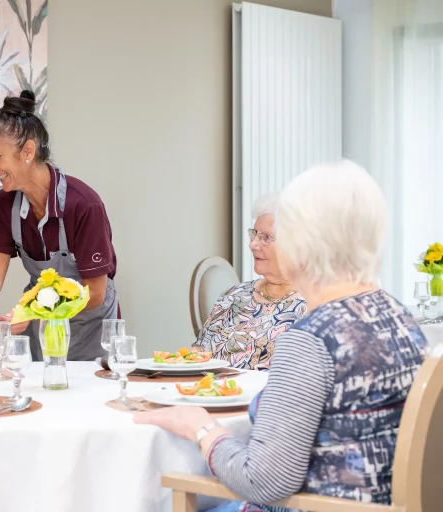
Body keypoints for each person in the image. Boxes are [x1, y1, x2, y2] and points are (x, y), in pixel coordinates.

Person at [134, 161, 428, 511]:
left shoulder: (310, 339)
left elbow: (263, 481)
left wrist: (199, 427)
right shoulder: (398, 315)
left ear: (302, 245)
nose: (259, 244)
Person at [0, 90, 119, 361]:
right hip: (41, 327)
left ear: (28, 150)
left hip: (92, 330)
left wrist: (31, 312)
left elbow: (95, 293)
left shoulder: (84, 205)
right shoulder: (4, 205)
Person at [193, 194, 307, 370]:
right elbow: (196, 355)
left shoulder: (315, 307)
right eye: (254, 234)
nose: (253, 244)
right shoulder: (234, 296)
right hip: (214, 394)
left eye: (266, 237)